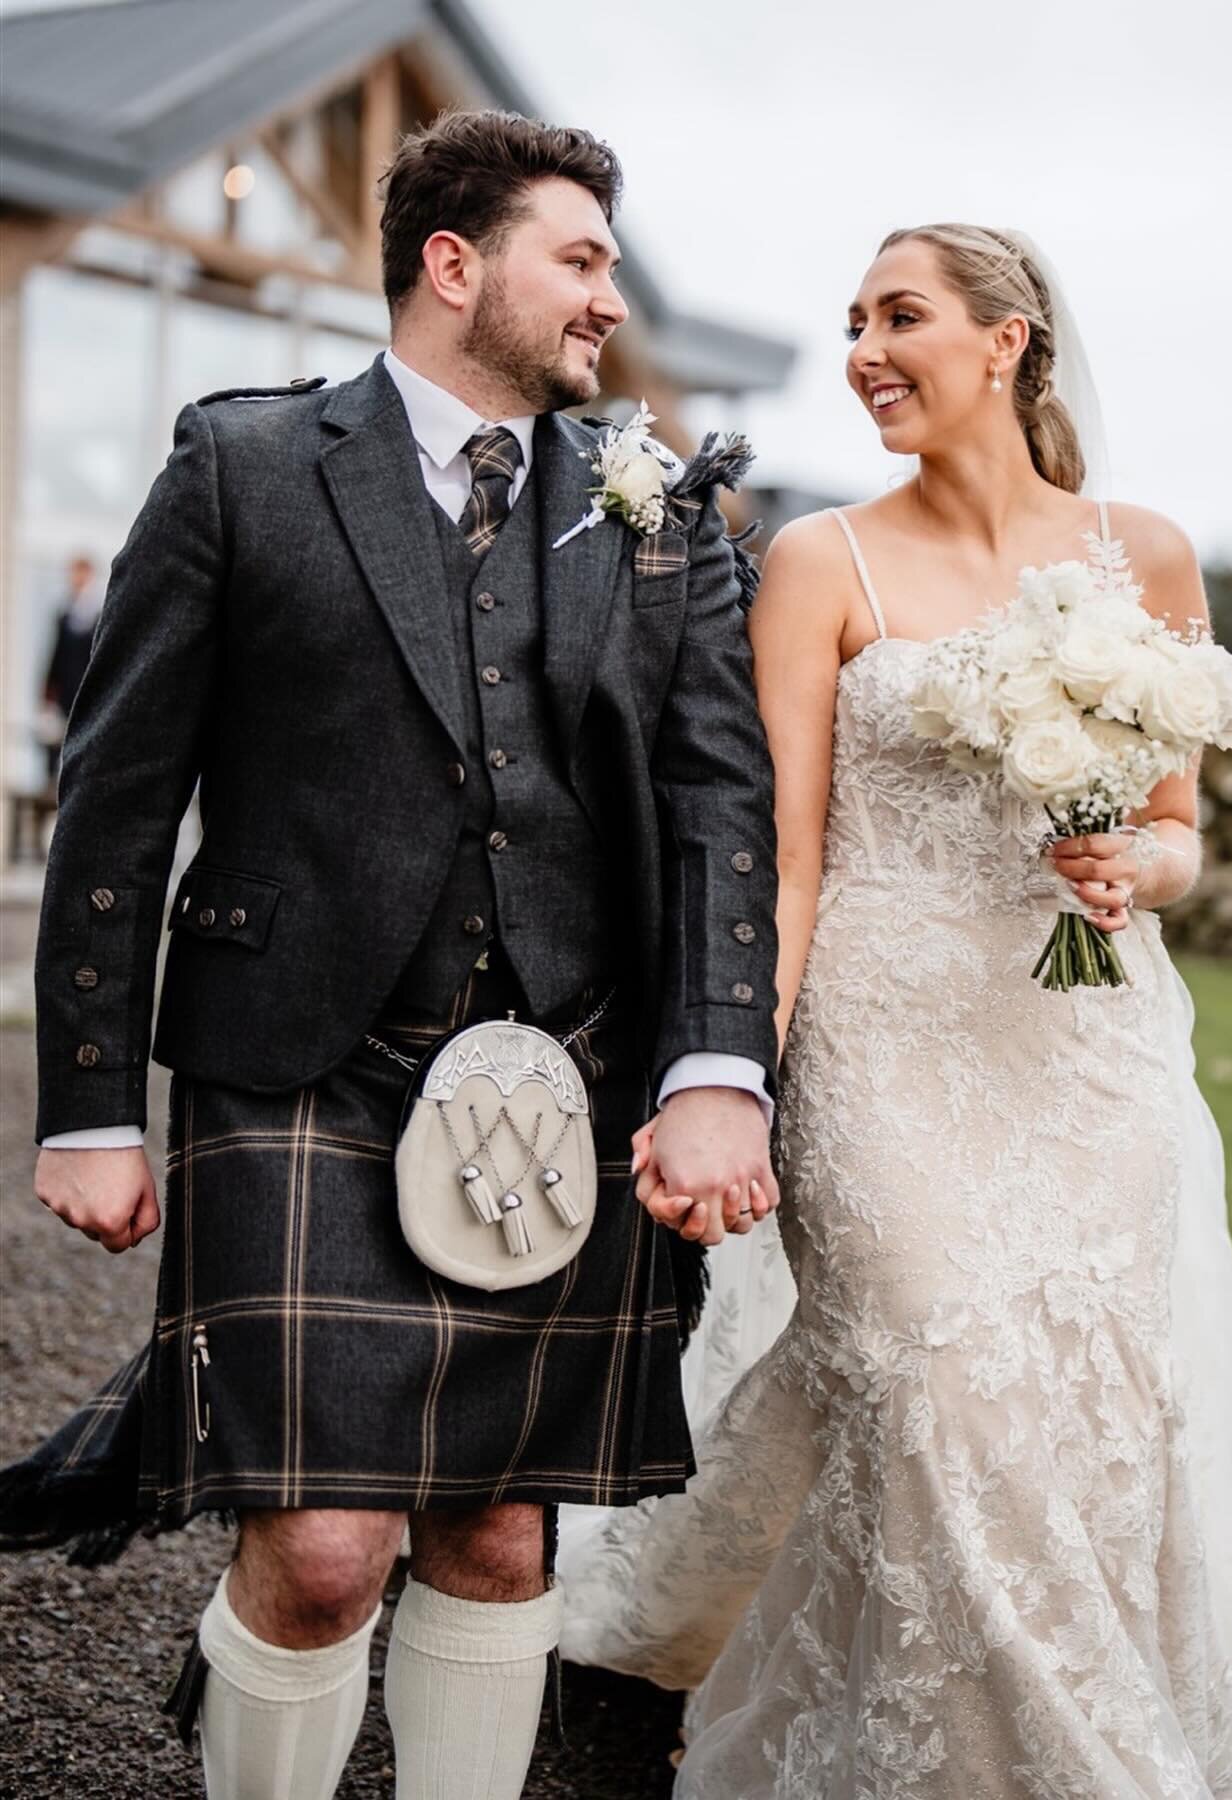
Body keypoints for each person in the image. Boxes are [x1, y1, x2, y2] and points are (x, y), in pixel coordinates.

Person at [12, 108, 780, 1800]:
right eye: (578, 258)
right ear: (455, 265)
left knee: (502, 1537)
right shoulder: (246, 466)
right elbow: (119, 797)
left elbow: (723, 800)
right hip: (299, 1062)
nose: (607, 297)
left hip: (563, 1071)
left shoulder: (661, 511)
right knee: (325, 1552)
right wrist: (87, 1101)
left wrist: (719, 1067)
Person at [562, 224, 1232, 1796]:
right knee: (933, 1376)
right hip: (881, 1043)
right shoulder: (819, 561)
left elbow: (1185, 834)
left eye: (899, 315)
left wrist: (1139, 856)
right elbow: (780, 854)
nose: (863, 349)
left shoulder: (1147, 554)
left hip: (1088, 1052)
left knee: (1081, 1410)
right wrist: (733, 1071)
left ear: (1007, 343)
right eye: (853, 320)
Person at [38, 552, 103, 780]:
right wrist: (46, 697)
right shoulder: (63, 615)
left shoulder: (98, 616)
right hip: (63, 696)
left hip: (85, 695)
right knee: (52, 749)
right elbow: (54, 658)